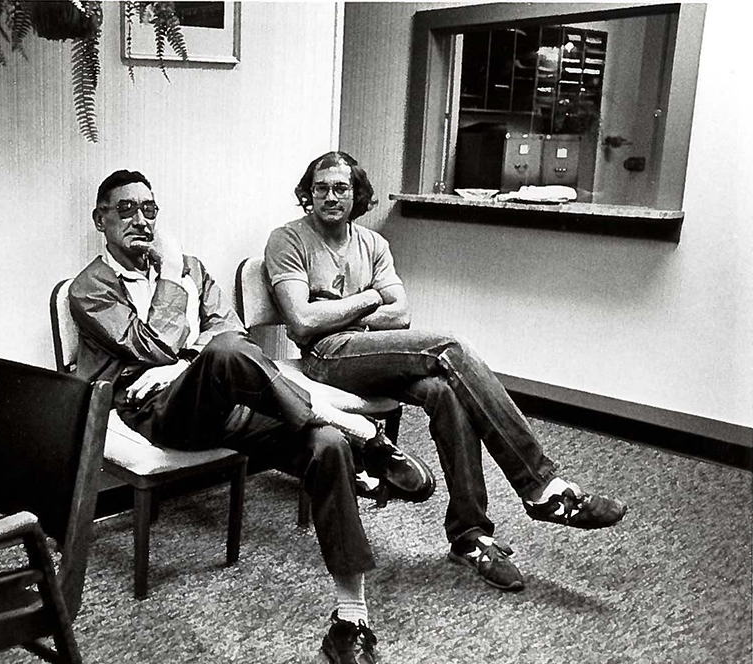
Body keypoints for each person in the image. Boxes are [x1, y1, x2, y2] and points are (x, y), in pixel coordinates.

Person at [69, 169, 435, 664]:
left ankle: (349, 622)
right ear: (101, 220)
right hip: (155, 410)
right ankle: (359, 430)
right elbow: (150, 348)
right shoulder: (91, 287)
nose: (140, 220)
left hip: (224, 396)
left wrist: (188, 359)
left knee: (322, 446)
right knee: (223, 357)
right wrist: (175, 293)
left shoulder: (195, 268)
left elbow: (231, 332)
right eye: (125, 210)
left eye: (149, 208)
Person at [264, 151, 628, 595]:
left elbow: (402, 315)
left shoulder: (374, 245)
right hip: (326, 357)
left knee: (445, 392)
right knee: (449, 346)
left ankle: (470, 536)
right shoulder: (288, 240)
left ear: (357, 193)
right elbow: (302, 322)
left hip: (367, 351)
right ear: (308, 193)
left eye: (341, 188)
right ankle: (541, 485)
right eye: (320, 188)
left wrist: (337, 308)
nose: (329, 197)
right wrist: (368, 300)